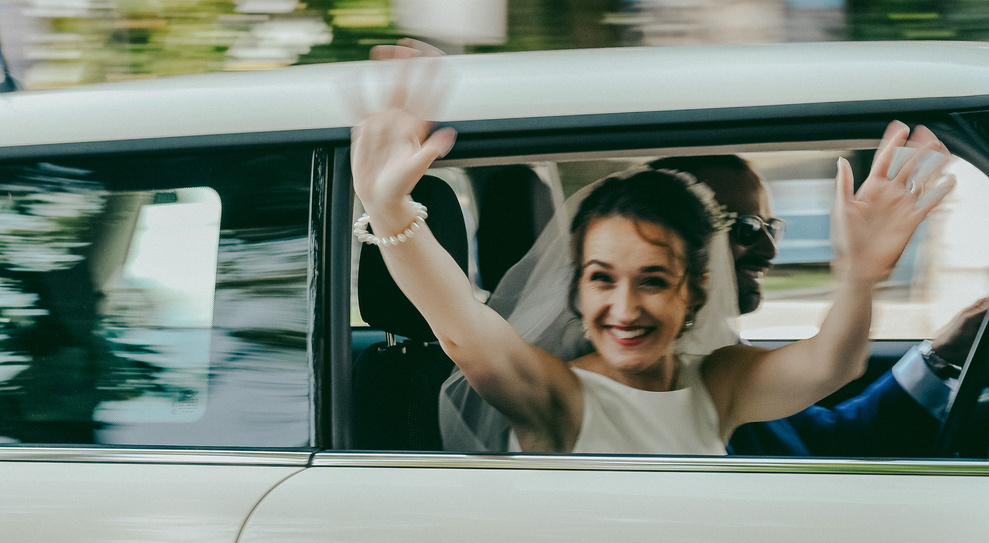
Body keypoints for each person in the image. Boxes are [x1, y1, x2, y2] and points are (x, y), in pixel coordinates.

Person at [349, 49, 954, 456]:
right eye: (601, 279)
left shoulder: (717, 383)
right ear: (579, 291)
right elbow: (461, 324)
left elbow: (831, 366)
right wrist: (390, 209)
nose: (624, 307)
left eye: (654, 280)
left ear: (694, 290)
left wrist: (862, 275)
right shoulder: (558, 397)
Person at [644, 149, 989, 458]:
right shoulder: (667, 378)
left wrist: (939, 357)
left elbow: (828, 438)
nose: (771, 251)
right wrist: (860, 274)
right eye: (747, 229)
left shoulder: (726, 355)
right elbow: (830, 365)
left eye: (772, 228)